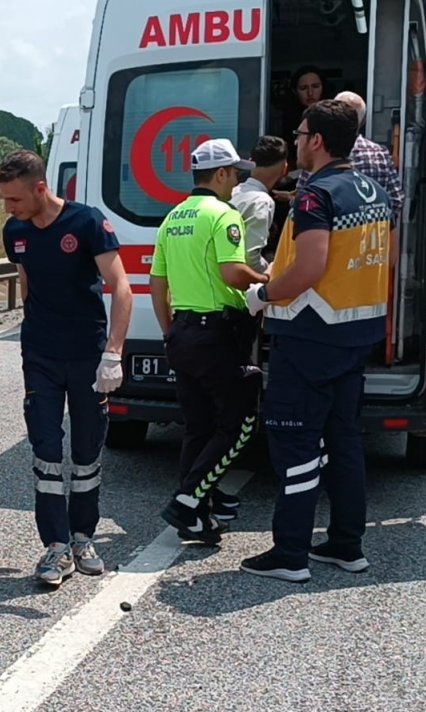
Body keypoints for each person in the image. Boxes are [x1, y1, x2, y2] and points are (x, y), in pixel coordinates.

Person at [242, 99, 393, 582]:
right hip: (355, 334)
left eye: (300, 132)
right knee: (345, 441)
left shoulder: (315, 196)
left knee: (295, 443)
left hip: (309, 335)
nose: (297, 140)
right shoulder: (373, 190)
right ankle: (347, 545)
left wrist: (261, 295)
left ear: (318, 141)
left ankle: (290, 554)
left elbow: (309, 268)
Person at [0, 149, 132, 587]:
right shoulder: (14, 230)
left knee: (87, 451)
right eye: (4, 199)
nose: (9, 208)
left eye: (14, 199)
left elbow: (122, 287)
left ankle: (82, 537)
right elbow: (27, 279)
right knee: (46, 450)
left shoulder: (86, 222)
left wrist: (113, 352)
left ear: (40, 188)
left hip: (87, 353)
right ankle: (55, 547)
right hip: (41, 354)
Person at [151, 139, 269, 544]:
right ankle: (187, 501)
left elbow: (157, 284)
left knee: (198, 426)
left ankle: (199, 510)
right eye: (236, 174)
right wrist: (267, 280)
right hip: (217, 334)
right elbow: (234, 273)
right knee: (239, 424)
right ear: (220, 174)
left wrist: (169, 330)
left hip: (182, 333)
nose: (237, 181)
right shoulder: (224, 215)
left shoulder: (173, 218)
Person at [296, 91, 405, 219]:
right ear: (363, 122)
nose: (296, 141)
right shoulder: (380, 153)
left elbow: (301, 195)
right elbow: (396, 199)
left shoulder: (320, 150)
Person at [231, 136, 289, 273]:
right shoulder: (262, 201)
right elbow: (250, 258)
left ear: (251, 162)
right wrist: (271, 270)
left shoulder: (233, 191)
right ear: (285, 168)